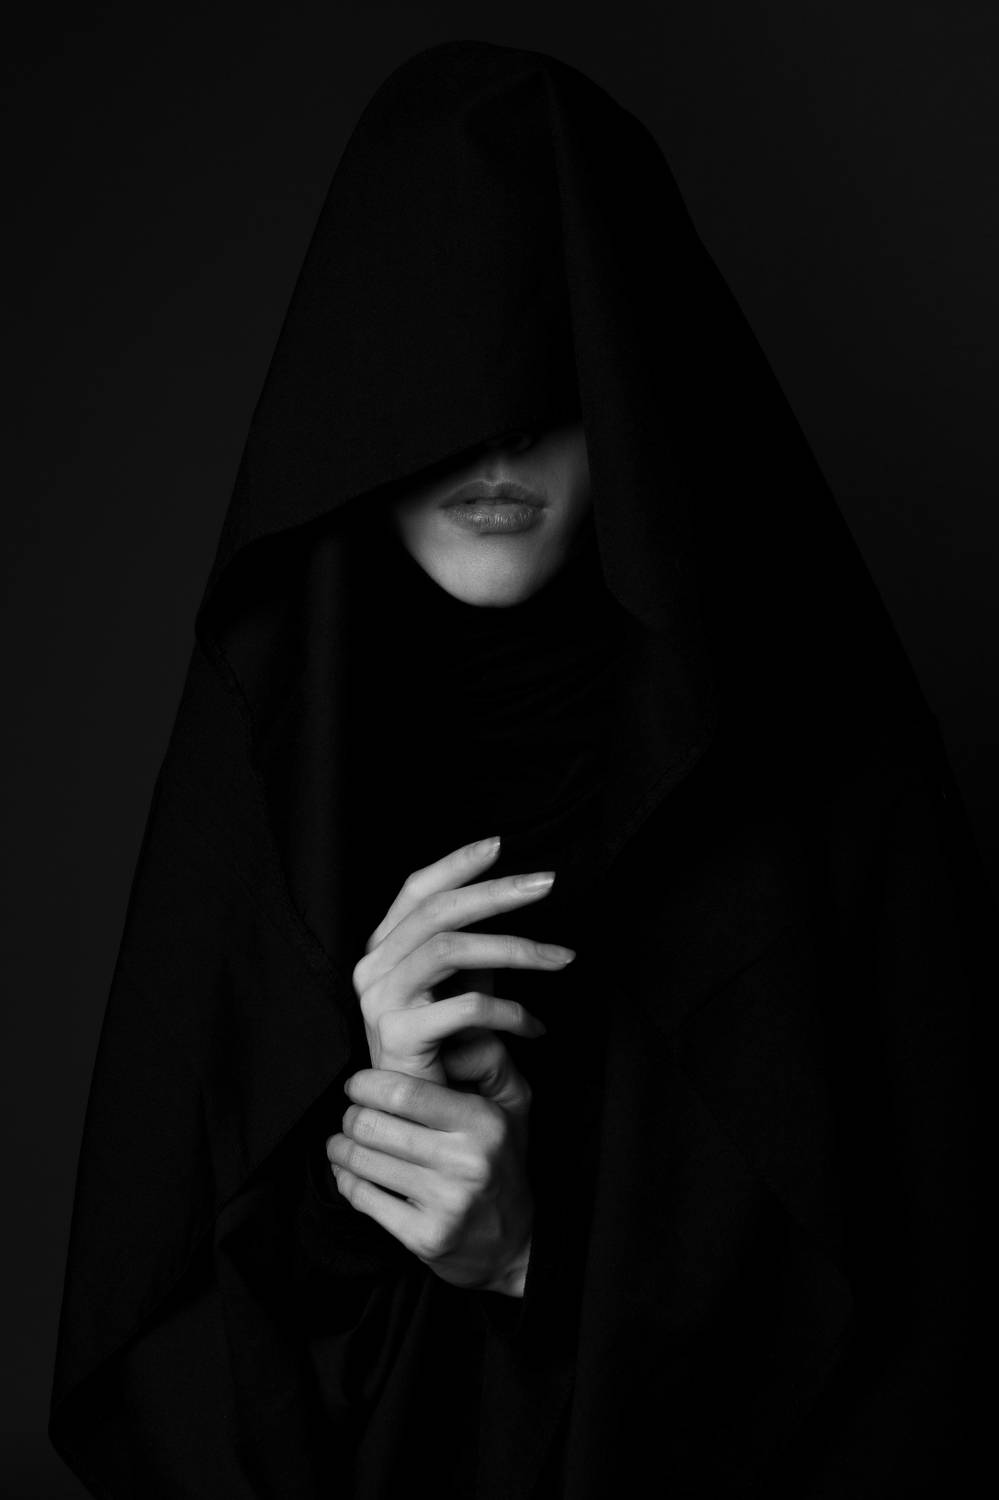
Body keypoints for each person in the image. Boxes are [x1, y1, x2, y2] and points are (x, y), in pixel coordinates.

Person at [50, 39, 986, 1499]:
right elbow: (158, 1358)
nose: (494, 430)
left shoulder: (829, 783)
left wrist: (537, 1258)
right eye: (436, 367)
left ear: (631, 367)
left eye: (551, 355)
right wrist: (373, 1168)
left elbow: (944, 1327)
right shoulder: (270, 783)